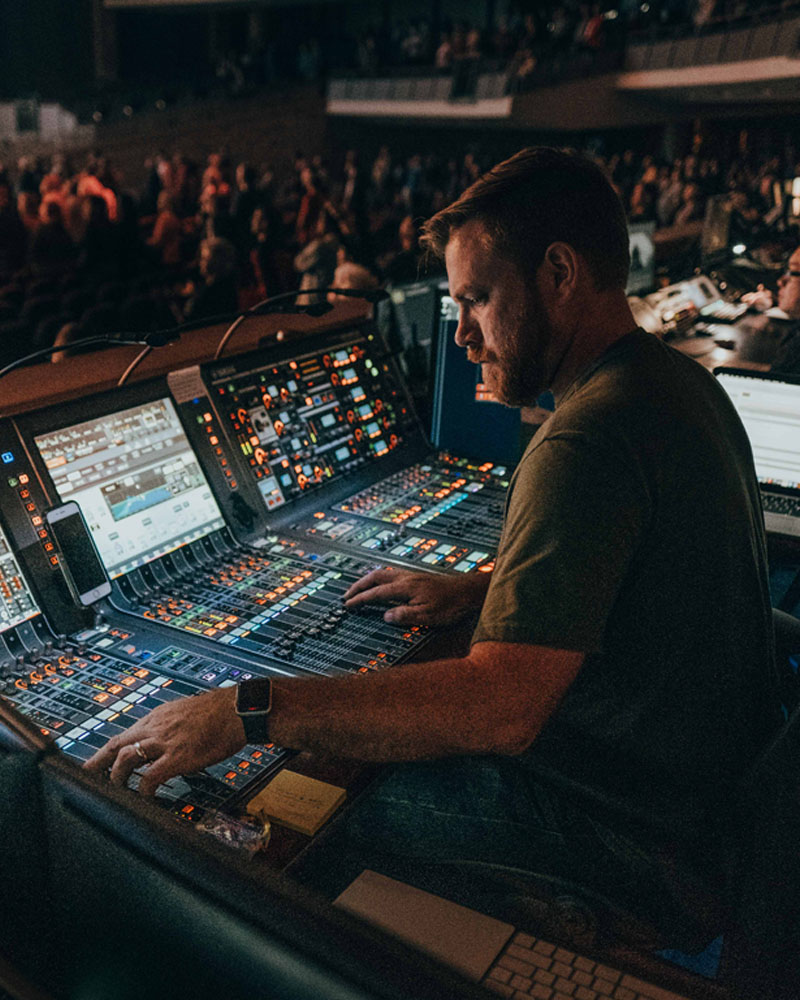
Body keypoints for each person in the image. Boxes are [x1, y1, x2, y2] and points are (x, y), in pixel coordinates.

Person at [86, 148, 779, 930]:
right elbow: (650, 574)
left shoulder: (583, 441)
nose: (463, 337)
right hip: (710, 797)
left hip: (642, 837)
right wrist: (490, 588)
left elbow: (498, 709)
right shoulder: (673, 383)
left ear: (559, 273)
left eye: (478, 300)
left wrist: (248, 709)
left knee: (324, 814)